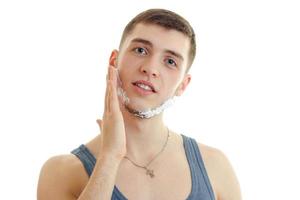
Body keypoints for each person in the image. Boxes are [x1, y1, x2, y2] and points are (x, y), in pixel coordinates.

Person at [37, 8, 242, 200]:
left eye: (170, 61)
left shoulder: (215, 166)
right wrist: (110, 157)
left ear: (183, 85)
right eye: (141, 50)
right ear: (113, 61)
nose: (150, 68)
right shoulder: (61, 172)